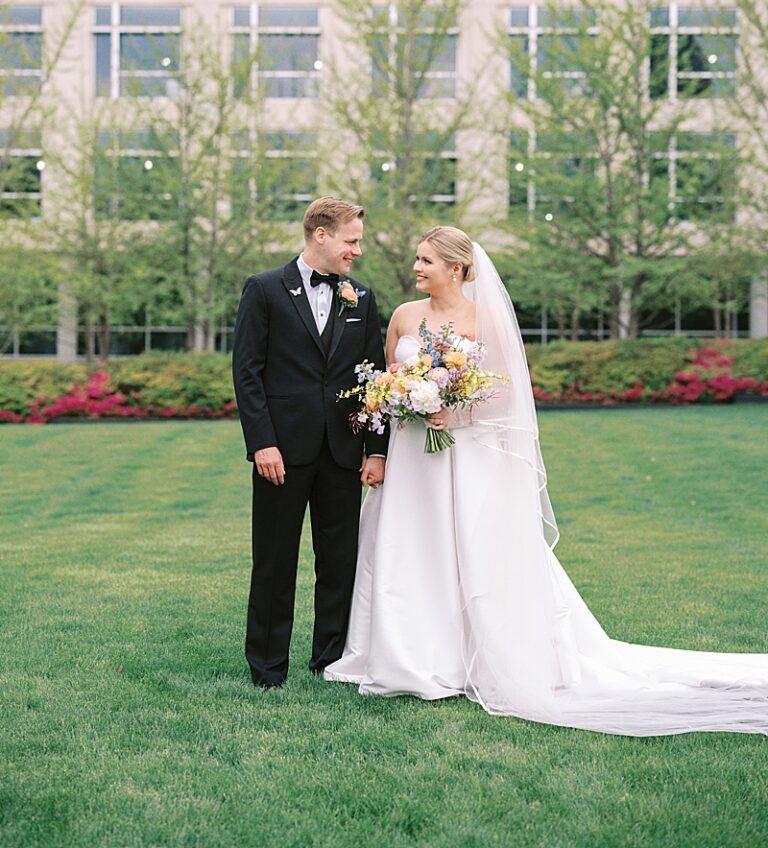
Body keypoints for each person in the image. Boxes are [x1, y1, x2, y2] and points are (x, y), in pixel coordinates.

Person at [325, 226, 768, 736]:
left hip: (464, 454)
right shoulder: (404, 315)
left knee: (471, 549)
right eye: (417, 258)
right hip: (412, 456)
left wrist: (456, 412)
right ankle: (405, 654)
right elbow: (386, 380)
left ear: (456, 268)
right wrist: (405, 398)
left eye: (426, 260)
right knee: (411, 547)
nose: (417, 267)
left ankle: (470, 654)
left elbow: (504, 395)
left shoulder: (483, 317)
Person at [232, 197, 388, 689]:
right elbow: (248, 373)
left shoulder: (362, 299)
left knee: (339, 562)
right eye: (351, 240)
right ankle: (267, 668)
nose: (356, 251)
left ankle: (331, 661)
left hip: (342, 451)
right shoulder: (263, 290)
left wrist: (376, 449)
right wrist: (262, 443)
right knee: (275, 560)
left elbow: (374, 381)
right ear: (321, 235)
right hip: (281, 451)